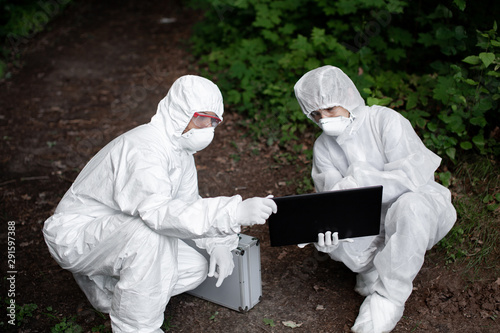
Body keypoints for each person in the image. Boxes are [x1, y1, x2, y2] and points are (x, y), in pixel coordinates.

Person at [43, 75, 277, 333]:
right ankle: (137, 329)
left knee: (195, 268)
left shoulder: (180, 153)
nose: (208, 128)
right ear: (180, 112)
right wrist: (233, 212)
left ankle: (108, 292)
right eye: (202, 118)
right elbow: (160, 213)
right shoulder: (143, 147)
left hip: (116, 232)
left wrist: (219, 244)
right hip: (77, 235)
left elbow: (188, 204)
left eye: (214, 121)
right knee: (150, 234)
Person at [294, 66, 456, 333]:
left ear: (348, 95)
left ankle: (387, 299)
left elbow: (411, 176)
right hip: (367, 218)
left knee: (409, 208)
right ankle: (373, 268)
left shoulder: (384, 120)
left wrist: (359, 182)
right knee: (337, 236)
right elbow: (335, 200)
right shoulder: (323, 147)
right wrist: (322, 229)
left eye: (331, 109)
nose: (324, 120)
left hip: (417, 210)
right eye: (316, 114)